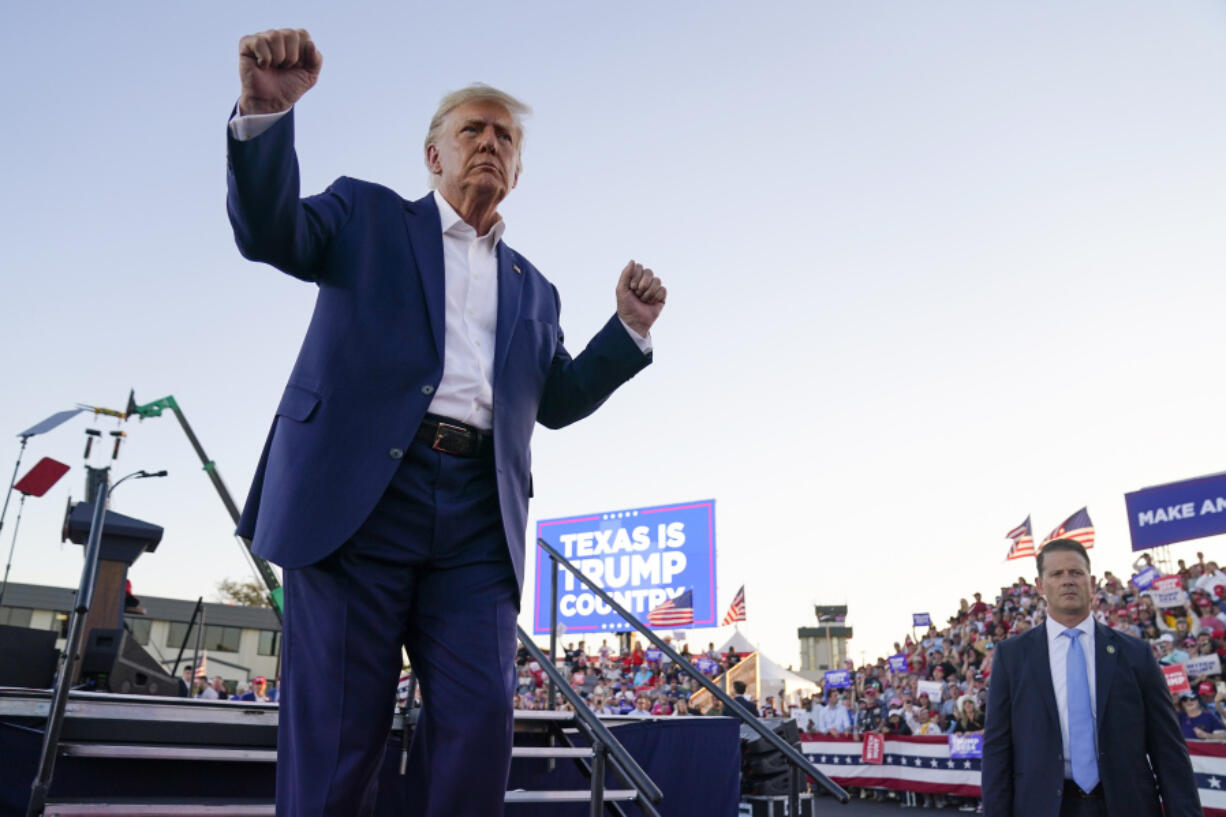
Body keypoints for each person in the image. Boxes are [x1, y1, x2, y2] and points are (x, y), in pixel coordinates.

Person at [225, 28, 665, 817]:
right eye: (473, 129)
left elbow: (554, 402)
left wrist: (625, 331)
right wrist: (264, 114)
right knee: (336, 743)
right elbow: (270, 232)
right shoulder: (366, 215)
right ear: (434, 156)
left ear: (518, 170)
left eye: (504, 137)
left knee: (480, 726)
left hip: (474, 520)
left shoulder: (537, 290)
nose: (490, 143)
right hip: (358, 503)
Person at [982, 539, 1199, 817]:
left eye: (1076, 573)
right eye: (1057, 574)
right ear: (1040, 585)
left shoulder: (1136, 654)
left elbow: (1168, 748)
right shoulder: (1011, 656)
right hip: (1044, 806)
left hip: (1126, 804)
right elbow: (998, 749)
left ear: (1092, 582)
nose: (1067, 581)